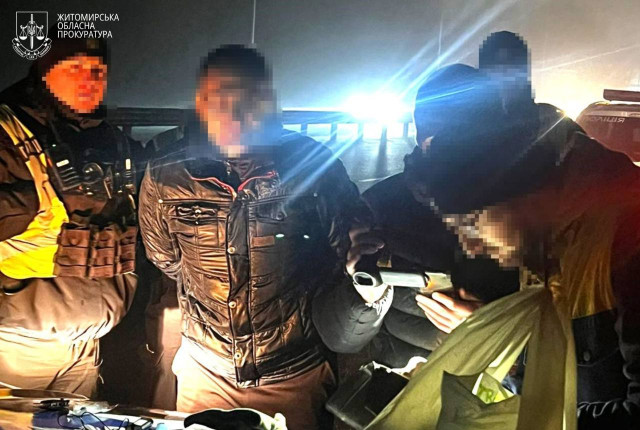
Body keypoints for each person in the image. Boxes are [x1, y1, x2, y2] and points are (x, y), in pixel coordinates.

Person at [139, 45, 362, 429]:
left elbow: (346, 256)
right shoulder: (165, 173)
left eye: (249, 98)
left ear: (269, 102)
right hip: (205, 373)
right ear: (200, 103)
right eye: (220, 97)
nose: (234, 112)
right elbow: (165, 258)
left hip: (294, 375)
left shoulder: (314, 166)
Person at [425, 82, 640, 429]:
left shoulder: (627, 235)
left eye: (471, 224)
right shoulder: (542, 238)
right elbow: (550, 374)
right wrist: (495, 338)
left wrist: (520, 422)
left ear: (522, 189)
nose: (471, 247)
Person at [312, 64, 520, 370]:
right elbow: (340, 339)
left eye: (464, 130)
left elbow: (564, 332)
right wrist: (364, 293)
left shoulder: (531, 206)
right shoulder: (380, 205)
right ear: (421, 132)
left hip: (496, 392)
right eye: (434, 132)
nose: (448, 145)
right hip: (403, 385)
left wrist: (491, 330)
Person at [0, 34, 138, 397]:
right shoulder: (8, 135)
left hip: (87, 349)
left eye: (98, 70)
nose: (89, 79)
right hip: (17, 350)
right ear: (43, 71)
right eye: (74, 68)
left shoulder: (111, 141)